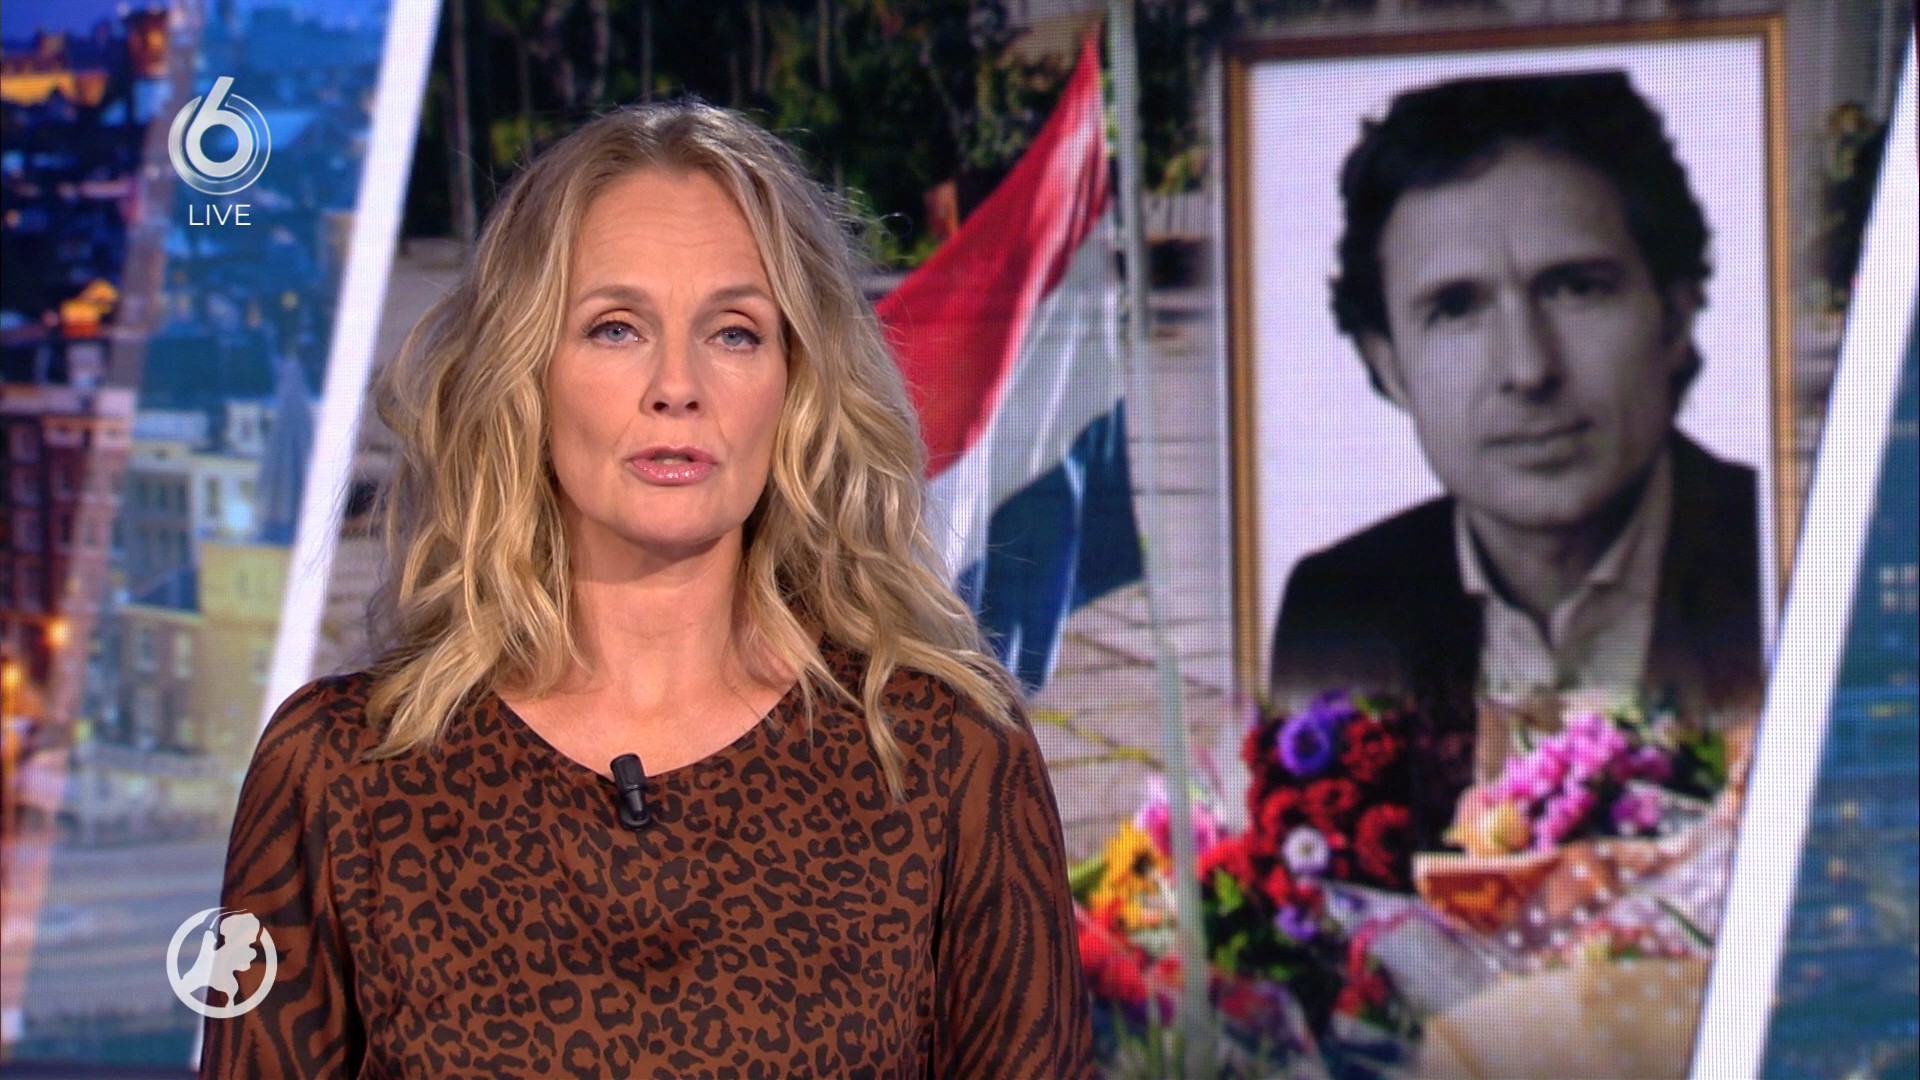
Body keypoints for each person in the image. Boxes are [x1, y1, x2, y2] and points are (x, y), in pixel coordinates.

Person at [198, 101, 1095, 1077]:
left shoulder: (944, 757)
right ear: (525, 373)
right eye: (616, 328)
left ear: (797, 382)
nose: (677, 384)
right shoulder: (343, 774)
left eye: (735, 333)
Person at [1269, 72, 1764, 847]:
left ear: (1673, 315)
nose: (1529, 368)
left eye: (1576, 288)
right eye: (1456, 308)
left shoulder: (1791, 557)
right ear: (1387, 364)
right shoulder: (1336, 609)